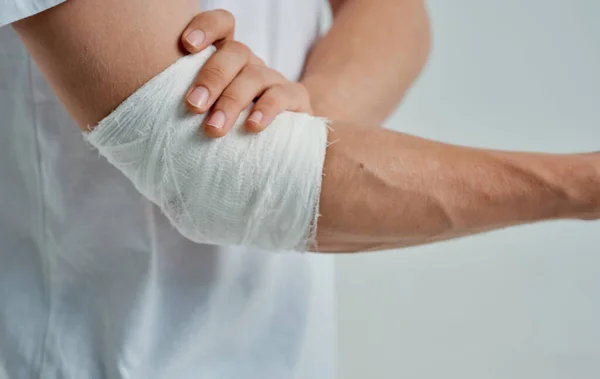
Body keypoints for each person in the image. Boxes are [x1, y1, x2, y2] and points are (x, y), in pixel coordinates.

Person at [1, 0, 599, 378]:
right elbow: (214, 172)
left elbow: (392, 11)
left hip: (285, 353)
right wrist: (583, 184)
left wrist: (298, 117)